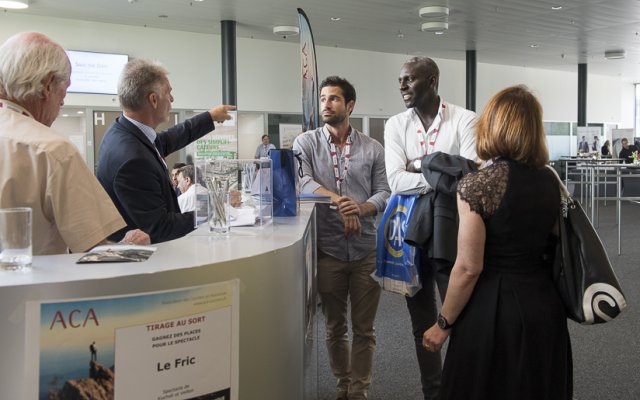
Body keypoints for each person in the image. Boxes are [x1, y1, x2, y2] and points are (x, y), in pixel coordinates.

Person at [423, 85, 572, 399]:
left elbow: (469, 268)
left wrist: (443, 323)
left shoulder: (477, 185)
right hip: (544, 305)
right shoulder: (551, 180)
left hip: (492, 310)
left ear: (492, 126)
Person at [0, 31, 149, 255]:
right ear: (48, 85)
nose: (63, 101)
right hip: (37, 278)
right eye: (65, 89)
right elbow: (95, 252)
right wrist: (129, 245)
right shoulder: (53, 151)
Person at [384, 56, 476, 399]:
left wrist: (420, 164)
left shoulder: (465, 119)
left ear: (432, 80)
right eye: (400, 80)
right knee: (420, 321)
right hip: (411, 233)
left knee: (461, 317)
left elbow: (471, 176)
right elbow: (395, 180)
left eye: (409, 79)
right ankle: (433, 393)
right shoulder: (396, 124)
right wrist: (442, 174)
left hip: (455, 232)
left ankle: (461, 389)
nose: (402, 86)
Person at [293, 76, 390, 400]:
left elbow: (384, 192)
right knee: (334, 327)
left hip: (365, 250)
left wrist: (360, 208)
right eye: (323, 98)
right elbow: (303, 183)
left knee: (364, 329)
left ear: (350, 105)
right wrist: (339, 201)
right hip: (327, 250)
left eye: (333, 98)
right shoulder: (305, 143)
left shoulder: (373, 148)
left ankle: (359, 390)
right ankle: (342, 384)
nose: (326, 104)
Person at [97, 58, 235, 244]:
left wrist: (210, 117)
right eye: (168, 93)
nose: (172, 99)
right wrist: (216, 207)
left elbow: (167, 139)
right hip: (148, 257)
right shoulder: (133, 160)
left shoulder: (124, 131)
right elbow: (160, 228)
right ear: (153, 100)